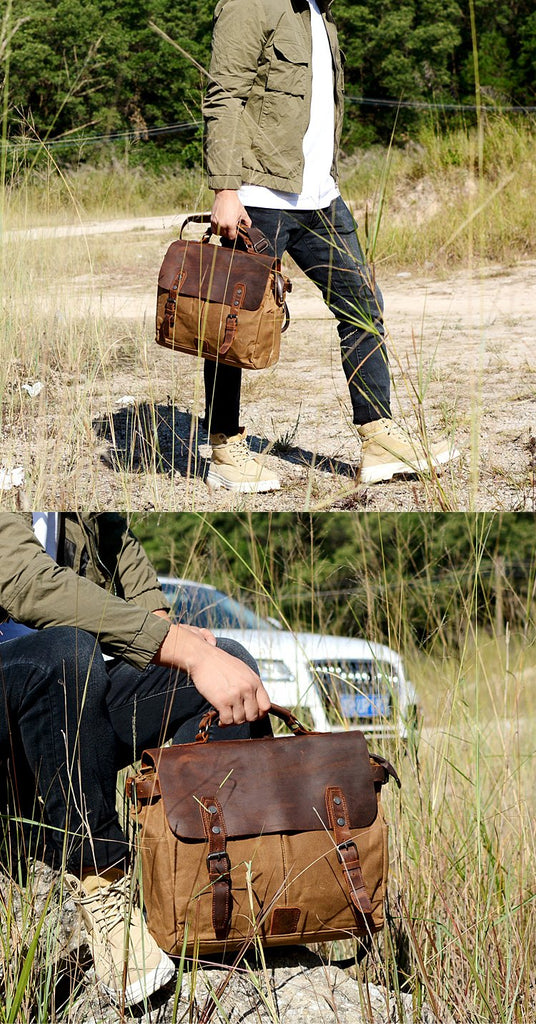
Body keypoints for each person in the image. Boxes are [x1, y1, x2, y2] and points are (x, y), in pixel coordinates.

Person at [0, 512, 271, 1006]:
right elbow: (28, 584)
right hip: (20, 690)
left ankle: (195, 892)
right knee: (65, 652)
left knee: (227, 666)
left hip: (70, 692)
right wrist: (178, 647)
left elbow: (120, 546)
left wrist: (172, 636)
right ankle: (104, 891)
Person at [201, 0, 459, 492]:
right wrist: (225, 189)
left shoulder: (321, 12)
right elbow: (224, 96)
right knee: (233, 322)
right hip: (258, 193)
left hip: (320, 196)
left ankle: (378, 437)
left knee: (363, 305)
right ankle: (225, 449)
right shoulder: (246, 3)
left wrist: (327, 178)